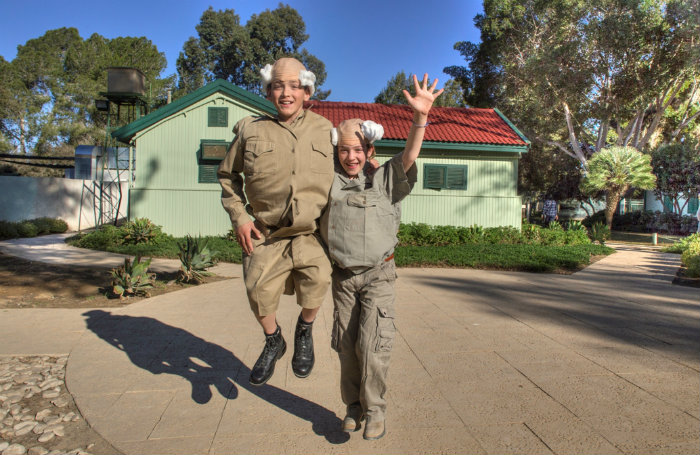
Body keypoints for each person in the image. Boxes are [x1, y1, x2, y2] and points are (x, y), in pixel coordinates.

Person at [320, 74, 443, 440]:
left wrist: (419, 117)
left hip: (379, 276)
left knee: (374, 345)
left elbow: (410, 154)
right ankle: (353, 407)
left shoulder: (386, 179)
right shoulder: (327, 182)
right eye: (344, 150)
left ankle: (375, 410)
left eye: (358, 150)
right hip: (343, 278)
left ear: (370, 151)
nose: (351, 156)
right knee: (346, 346)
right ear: (335, 152)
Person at [217, 58, 334, 386]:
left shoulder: (326, 130)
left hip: (311, 233)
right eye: (278, 85)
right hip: (265, 232)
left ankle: (304, 330)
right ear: (268, 92)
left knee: (319, 281)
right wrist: (240, 218)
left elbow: (352, 162)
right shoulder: (251, 131)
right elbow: (228, 176)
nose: (286, 92)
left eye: (295, 85)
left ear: (307, 91)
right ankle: (274, 340)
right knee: (257, 292)